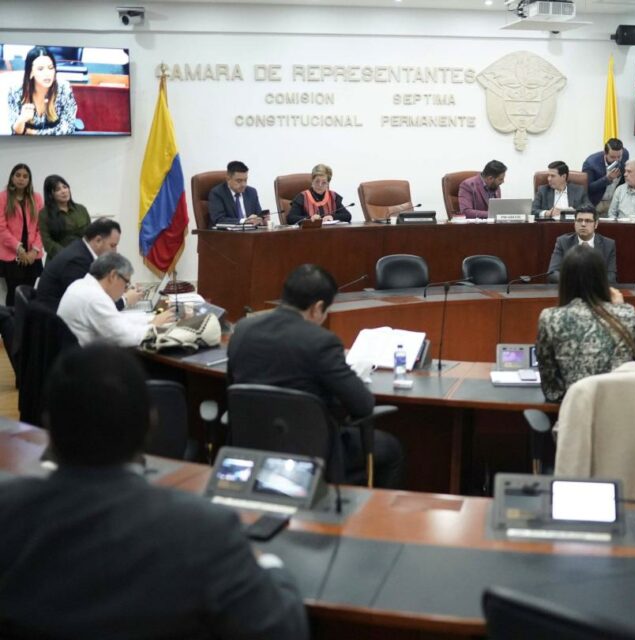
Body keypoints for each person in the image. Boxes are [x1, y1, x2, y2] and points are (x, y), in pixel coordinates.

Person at [0, 344, 308, 639]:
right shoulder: (205, 531)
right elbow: (283, 629)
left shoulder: (8, 510)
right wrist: (264, 562)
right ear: (152, 421)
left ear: (48, 423)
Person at [228, 264, 404, 489]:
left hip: (250, 447)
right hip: (311, 454)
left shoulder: (243, 330)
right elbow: (363, 405)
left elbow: (232, 386)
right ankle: (368, 519)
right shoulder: (321, 342)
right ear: (317, 308)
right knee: (391, 449)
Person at [536, 244, 635, 402]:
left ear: (565, 280)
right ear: (602, 279)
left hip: (576, 416)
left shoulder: (550, 318)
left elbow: (551, 389)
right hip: (622, 415)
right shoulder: (626, 313)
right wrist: (620, 309)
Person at [58, 252, 173, 346]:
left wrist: (151, 319)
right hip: (85, 367)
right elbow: (123, 337)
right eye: (126, 282)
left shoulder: (82, 284)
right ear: (113, 276)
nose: (126, 289)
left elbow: (116, 320)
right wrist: (154, 326)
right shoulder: (95, 297)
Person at [36, 218, 138, 311]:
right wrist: (125, 299)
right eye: (112, 245)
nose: (115, 251)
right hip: (52, 321)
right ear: (98, 240)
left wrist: (119, 287)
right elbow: (89, 305)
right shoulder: (77, 261)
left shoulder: (82, 251)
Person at [8, 45, 78, 136]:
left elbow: (68, 128)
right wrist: (22, 119)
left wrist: (34, 133)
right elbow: (15, 132)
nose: (47, 73)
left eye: (50, 68)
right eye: (40, 69)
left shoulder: (64, 89)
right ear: (30, 72)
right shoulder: (16, 91)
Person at [0, 163, 44, 306]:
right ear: (12, 177)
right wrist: (19, 249)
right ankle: (11, 325)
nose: (21, 179)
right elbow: (1, 228)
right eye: (18, 175)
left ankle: (27, 326)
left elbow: (41, 227)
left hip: (33, 255)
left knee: (30, 292)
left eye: (25, 176)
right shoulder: (3, 197)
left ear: (29, 180)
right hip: (11, 254)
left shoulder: (36, 198)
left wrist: (34, 251)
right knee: (14, 292)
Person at [547, 206, 617, 284]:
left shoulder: (608, 244)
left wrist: (588, 285)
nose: (583, 224)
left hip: (596, 292)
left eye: (588, 221)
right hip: (571, 290)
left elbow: (611, 277)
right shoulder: (563, 242)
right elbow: (553, 273)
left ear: (596, 224)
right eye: (579, 220)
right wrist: (577, 284)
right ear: (574, 223)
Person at [38, 174, 91, 260]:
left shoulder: (81, 209)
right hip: (59, 260)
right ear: (51, 194)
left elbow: (90, 234)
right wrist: (68, 255)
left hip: (82, 257)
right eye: (58, 189)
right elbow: (47, 243)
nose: (63, 191)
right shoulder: (44, 214)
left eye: (65, 187)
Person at [286, 163, 351, 225]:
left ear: (328, 183)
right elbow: (290, 218)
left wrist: (332, 216)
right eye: (317, 181)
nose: (320, 185)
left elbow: (347, 216)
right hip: (308, 234)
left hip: (331, 234)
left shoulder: (333, 196)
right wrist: (310, 218)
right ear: (312, 180)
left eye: (324, 182)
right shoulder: (302, 197)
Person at [582, 138, 629, 215]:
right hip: (596, 202)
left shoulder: (625, 154)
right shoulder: (591, 163)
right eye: (613, 157)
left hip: (616, 202)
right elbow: (588, 188)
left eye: (619, 157)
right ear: (605, 153)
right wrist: (607, 179)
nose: (616, 160)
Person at [208, 160, 263, 226]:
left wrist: (262, 219)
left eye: (245, 180)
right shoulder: (217, 193)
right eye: (239, 181)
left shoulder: (251, 192)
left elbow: (258, 215)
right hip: (229, 234)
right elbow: (219, 220)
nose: (243, 184)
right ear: (228, 179)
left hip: (251, 233)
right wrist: (244, 221)